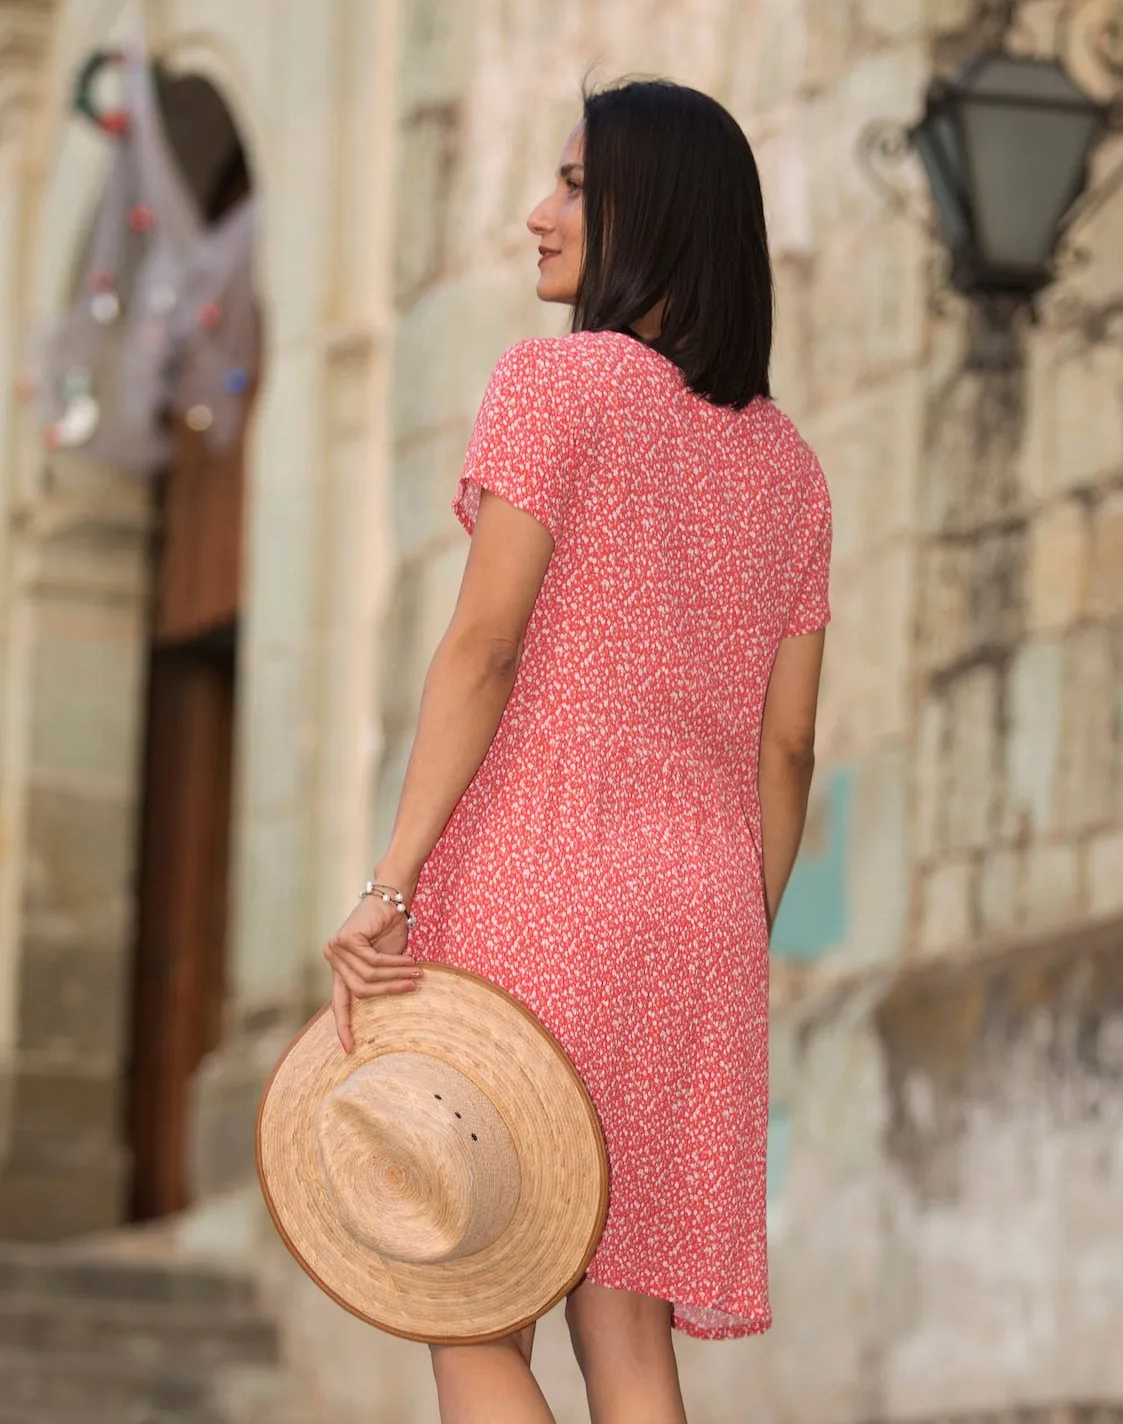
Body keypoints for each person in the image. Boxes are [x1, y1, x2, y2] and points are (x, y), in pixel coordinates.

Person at [324, 78, 831, 1424]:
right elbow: (788, 752)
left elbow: (482, 647)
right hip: (699, 920)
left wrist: (389, 884)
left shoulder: (553, 387)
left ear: (651, 214)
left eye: (572, 187)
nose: (537, 216)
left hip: (535, 891)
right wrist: (733, 928)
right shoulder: (789, 469)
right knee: (631, 1341)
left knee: (474, 1303)